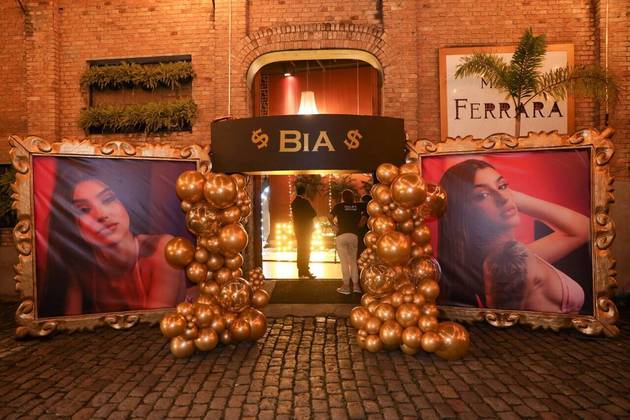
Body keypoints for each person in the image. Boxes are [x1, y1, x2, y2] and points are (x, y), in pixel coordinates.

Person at [37, 158, 187, 317]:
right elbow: (69, 328)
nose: (101, 215)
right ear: (72, 225)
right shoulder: (80, 268)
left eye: (108, 199)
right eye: (83, 210)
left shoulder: (163, 250)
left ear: (125, 203)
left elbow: (152, 328)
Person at [437, 159, 589, 313]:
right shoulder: (505, 266)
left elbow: (583, 230)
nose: (503, 198)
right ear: (462, 213)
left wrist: (514, 198)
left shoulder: (513, 257)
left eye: (502, 186)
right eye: (483, 195)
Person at [329, 189, 366, 294]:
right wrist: (361, 222)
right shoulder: (358, 206)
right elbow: (366, 214)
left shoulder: (339, 206)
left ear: (343, 198)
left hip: (341, 235)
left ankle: (346, 286)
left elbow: (329, 216)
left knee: (344, 262)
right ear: (353, 197)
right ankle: (356, 286)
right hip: (353, 236)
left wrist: (334, 225)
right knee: (353, 261)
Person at [291, 184, 317, 279]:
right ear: (304, 192)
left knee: (300, 249)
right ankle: (305, 270)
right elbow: (314, 213)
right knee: (306, 250)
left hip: (298, 229)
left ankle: (300, 270)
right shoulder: (305, 202)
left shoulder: (294, 202)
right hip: (306, 229)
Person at [356, 194, 372, 259]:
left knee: (361, 254)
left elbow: (361, 224)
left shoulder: (365, 212)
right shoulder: (371, 212)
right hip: (369, 235)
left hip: (363, 235)